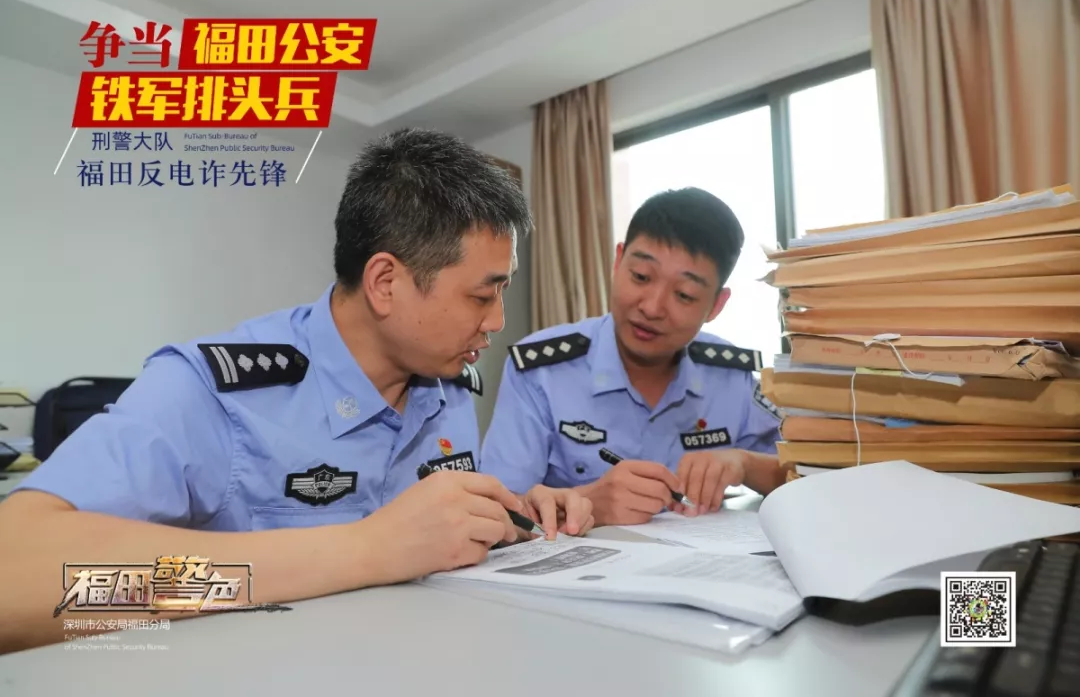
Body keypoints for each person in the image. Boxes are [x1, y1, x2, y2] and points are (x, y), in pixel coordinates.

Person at [0, 127, 593, 654]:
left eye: (502, 293)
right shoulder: (216, 392)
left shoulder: (450, 386)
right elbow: (16, 572)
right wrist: (364, 550)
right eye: (482, 295)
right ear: (385, 282)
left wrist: (511, 516)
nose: (497, 322)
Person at [479, 187, 785, 527]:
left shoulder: (731, 376)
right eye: (640, 277)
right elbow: (499, 511)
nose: (652, 308)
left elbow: (806, 478)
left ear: (716, 305)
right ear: (618, 261)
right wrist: (589, 502)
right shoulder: (541, 372)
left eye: (684, 295)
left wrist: (745, 463)